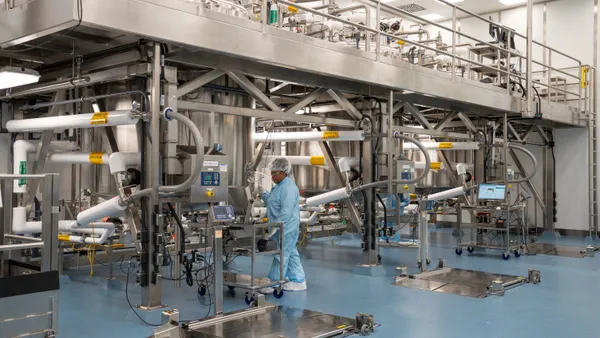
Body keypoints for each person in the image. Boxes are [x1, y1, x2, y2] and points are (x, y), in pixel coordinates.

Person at [257, 158, 307, 292]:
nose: (272, 176)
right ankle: (298, 280)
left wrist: (273, 229)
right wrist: (263, 193)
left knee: (281, 255)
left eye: (275, 173)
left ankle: (273, 283)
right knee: (290, 252)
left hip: (286, 227)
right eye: (271, 173)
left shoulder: (289, 188)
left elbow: (285, 212)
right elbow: (273, 202)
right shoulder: (279, 187)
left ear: (284, 172)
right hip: (280, 228)